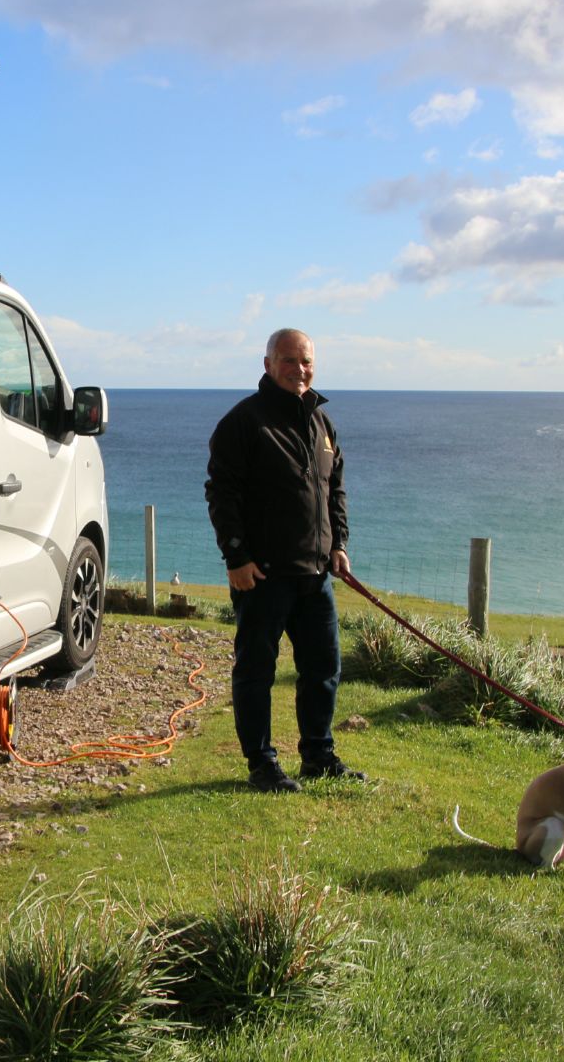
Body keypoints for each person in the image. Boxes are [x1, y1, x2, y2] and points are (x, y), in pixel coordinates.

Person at [205, 328, 367, 793]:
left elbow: (334, 489)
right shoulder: (244, 422)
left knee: (323, 668)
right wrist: (236, 556)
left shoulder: (321, 424)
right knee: (256, 672)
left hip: (316, 576)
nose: (300, 370)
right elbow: (221, 492)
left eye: (307, 361)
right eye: (290, 361)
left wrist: (338, 544)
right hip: (263, 577)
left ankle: (318, 754)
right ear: (268, 363)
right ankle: (262, 764)